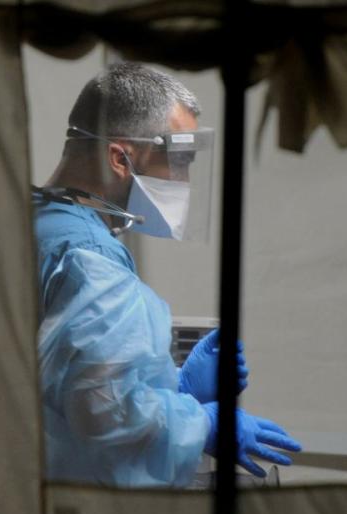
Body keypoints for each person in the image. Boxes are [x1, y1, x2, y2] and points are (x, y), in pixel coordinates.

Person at [35, 62, 301, 487]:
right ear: (119, 158)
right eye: (179, 161)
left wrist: (176, 387)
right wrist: (204, 422)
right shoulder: (89, 256)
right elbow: (105, 412)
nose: (184, 181)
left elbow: (59, 385)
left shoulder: (33, 223)